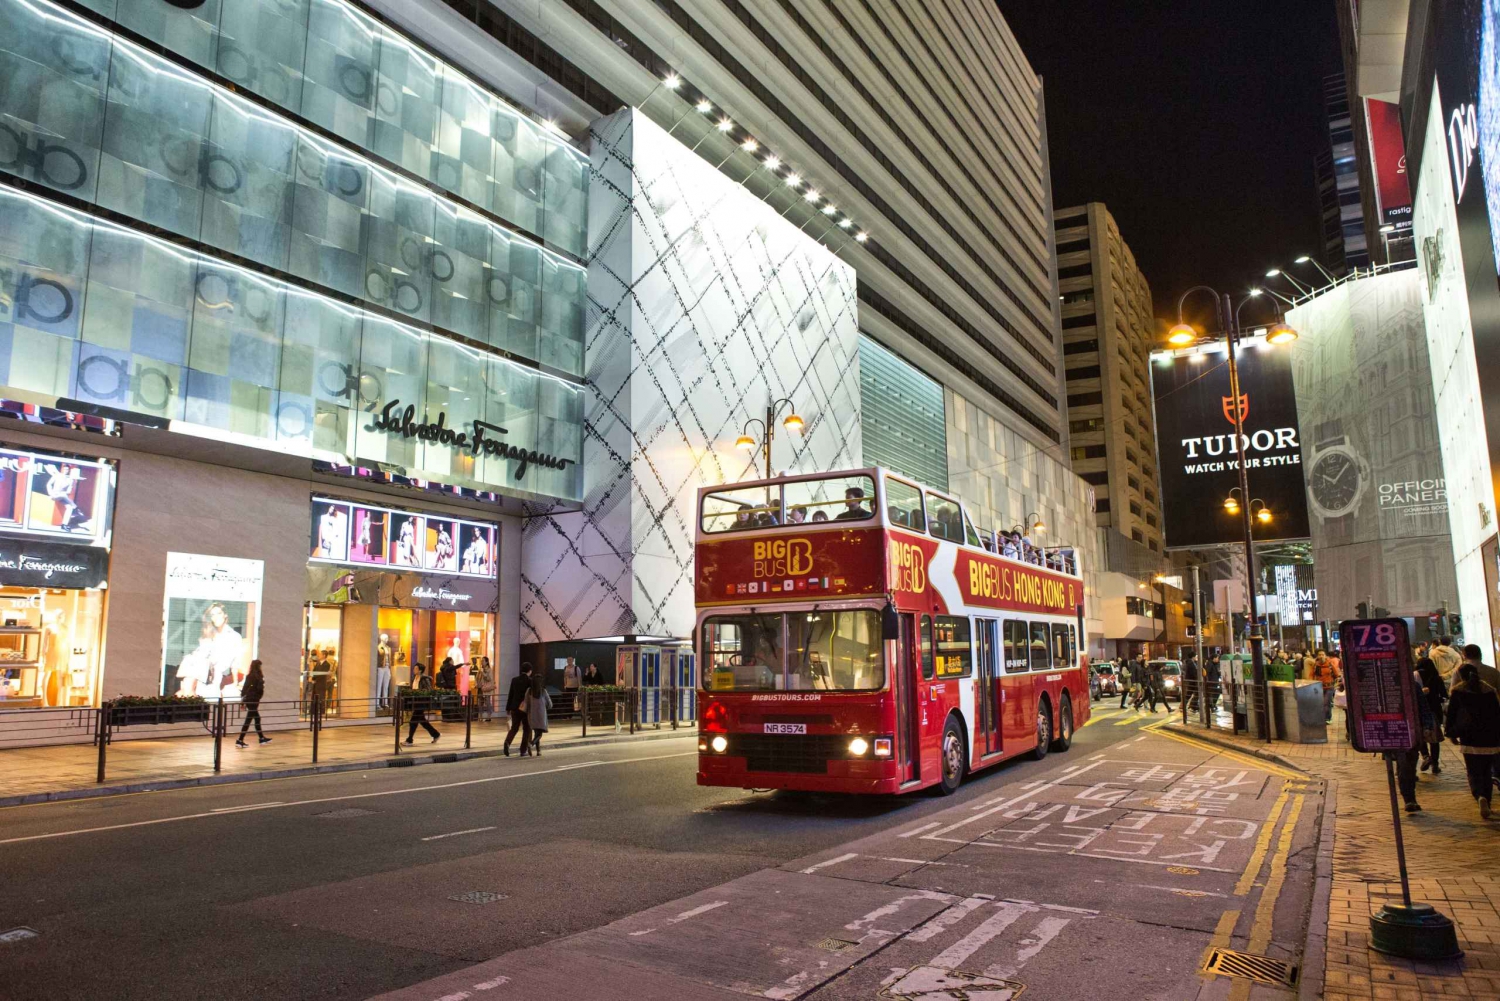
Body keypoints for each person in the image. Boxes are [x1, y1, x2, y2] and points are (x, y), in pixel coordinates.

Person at [1444, 661, 1500, 819]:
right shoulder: (1489, 691)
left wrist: (1451, 733)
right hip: (1490, 738)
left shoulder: (1458, 691)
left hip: (1469, 737)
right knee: (1486, 771)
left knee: (1473, 770)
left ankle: (1479, 796)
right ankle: (1487, 800)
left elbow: (1452, 714)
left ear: (1461, 676)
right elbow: (1497, 714)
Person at [1415, 656, 1447, 774]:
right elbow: (1444, 694)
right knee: (1435, 739)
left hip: (1418, 710)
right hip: (1434, 710)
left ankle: (1425, 756)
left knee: (1421, 736)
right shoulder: (1436, 677)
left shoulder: (1415, 675)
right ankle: (1435, 764)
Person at [235, 660, 270, 747]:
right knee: (253, 719)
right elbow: (246, 688)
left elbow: (248, 688)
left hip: (253, 700)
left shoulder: (255, 676)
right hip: (252, 700)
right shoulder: (253, 676)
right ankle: (241, 740)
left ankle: (260, 738)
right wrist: (243, 702)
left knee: (253, 719)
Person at [404, 662, 440, 744]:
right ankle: (436, 734)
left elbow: (428, 690)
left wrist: (419, 692)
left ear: (420, 670)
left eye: (416, 668)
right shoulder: (414, 678)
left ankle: (409, 740)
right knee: (422, 721)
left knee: (413, 721)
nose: (414, 670)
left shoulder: (424, 679)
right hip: (415, 702)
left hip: (422, 702)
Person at [503, 663, 533, 756]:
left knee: (514, 728)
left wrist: (508, 708)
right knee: (526, 729)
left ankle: (507, 742)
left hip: (514, 707)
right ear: (530, 671)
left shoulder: (514, 680)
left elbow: (511, 694)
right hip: (525, 708)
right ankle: (523, 750)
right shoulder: (530, 681)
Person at [1307, 650, 1341, 723]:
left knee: (1326, 703)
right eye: (1319, 655)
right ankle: (1322, 717)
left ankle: (1328, 718)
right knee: (1320, 703)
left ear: (1325, 656)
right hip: (1319, 687)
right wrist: (1310, 682)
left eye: (1323, 654)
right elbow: (1311, 675)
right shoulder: (1315, 665)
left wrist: (1336, 683)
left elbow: (1336, 674)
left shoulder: (1330, 664)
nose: (1321, 656)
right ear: (1317, 656)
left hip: (1329, 687)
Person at [527, 670, 553, 755]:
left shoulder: (529, 691)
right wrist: (547, 706)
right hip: (541, 715)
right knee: (539, 734)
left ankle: (538, 751)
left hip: (532, 715)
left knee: (536, 732)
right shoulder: (543, 691)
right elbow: (550, 704)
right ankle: (531, 743)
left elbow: (527, 703)